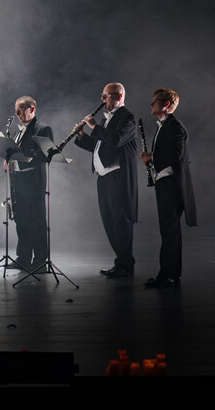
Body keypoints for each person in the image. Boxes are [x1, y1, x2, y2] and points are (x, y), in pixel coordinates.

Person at [74, 82, 139, 279]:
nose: (102, 100)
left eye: (106, 96)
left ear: (119, 97)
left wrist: (94, 126)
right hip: (103, 177)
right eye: (102, 96)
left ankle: (126, 265)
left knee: (121, 221)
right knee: (109, 221)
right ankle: (121, 263)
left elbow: (116, 140)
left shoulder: (128, 118)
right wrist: (81, 136)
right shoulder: (106, 119)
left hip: (118, 177)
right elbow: (99, 146)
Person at [140, 88, 196, 288]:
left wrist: (151, 157)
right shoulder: (165, 126)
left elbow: (175, 155)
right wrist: (152, 157)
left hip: (172, 186)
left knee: (169, 232)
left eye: (155, 101)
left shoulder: (175, 127)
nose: (151, 104)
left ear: (166, 104)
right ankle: (171, 275)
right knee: (169, 231)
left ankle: (167, 276)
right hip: (165, 184)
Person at [4, 96, 53, 271]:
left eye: (21, 110)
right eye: (16, 111)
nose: (17, 114)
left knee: (37, 221)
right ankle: (23, 257)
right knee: (21, 220)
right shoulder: (18, 131)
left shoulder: (43, 129)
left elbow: (45, 155)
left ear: (32, 109)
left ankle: (40, 260)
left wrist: (20, 157)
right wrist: (8, 161)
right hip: (18, 181)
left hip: (33, 181)